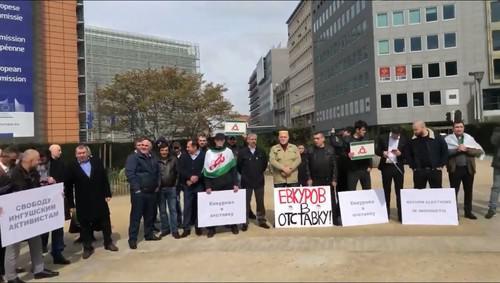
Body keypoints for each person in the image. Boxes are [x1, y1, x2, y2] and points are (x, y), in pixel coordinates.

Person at [5, 149, 59, 282]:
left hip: (30, 215)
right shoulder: (14, 173)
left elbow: (37, 189)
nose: (39, 161)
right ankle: (11, 277)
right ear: (30, 160)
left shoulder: (33, 172)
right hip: (16, 216)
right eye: (37, 159)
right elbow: (19, 193)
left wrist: (48, 184)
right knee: (13, 246)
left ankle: (39, 269)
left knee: (36, 240)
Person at [65, 145, 119, 259]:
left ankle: (108, 242)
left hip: (99, 198)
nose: (81, 155)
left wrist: (107, 193)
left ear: (88, 153)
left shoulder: (97, 162)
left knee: (105, 221)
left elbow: (104, 178)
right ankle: (87, 247)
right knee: (85, 225)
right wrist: (71, 204)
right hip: (82, 200)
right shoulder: (71, 166)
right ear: (76, 155)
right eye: (79, 153)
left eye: (83, 153)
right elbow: (68, 187)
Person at [125, 137, 161, 249]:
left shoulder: (153, 158)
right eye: (143, 145)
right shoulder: (133, 158)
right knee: (136, 217)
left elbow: (158, 173)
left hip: (152, 192)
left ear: (150, 147)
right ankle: (132, 239)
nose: (144, 147)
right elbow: (130, 174)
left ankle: (149, 234)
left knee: (150, 215)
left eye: (147, 145)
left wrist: (157, 185)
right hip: (139, 193)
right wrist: (137, 189)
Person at [445, 121, 484, 220]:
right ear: (453, 129)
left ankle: (468, 212)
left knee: (468, 191)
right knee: (454, 192)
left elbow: (478, 151)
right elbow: (444, 153)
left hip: (468, 169)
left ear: (463, 128)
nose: (459, 129)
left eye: (461, 127)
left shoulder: (469, 138)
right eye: (456, 127)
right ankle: (454, 213)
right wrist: (456, 150)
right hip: (455, 169)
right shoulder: (448, 139)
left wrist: (466, 149)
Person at [38, 144, 70, 265]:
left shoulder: (59, 164)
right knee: (41, 230)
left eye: (43, 158)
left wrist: (55, 182)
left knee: (57, 228)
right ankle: (39, 255)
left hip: (55, 201)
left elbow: (65, 180)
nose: (40, 161)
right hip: (39, 204)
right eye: (39, 159)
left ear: (48, 157)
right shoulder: (32, 168)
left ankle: (57, 253)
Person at [203, 133, 240, 238]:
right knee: (213, 208)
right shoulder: (209, 153)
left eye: (222, 139)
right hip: (214, 184)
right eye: (218, 139)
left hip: (227, 183)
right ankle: (212, 228)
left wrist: (235, 183)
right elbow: (206, 170)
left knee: (230, 207)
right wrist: (208, 186)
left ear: (224, 140)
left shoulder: (228, 152)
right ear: (215, 140)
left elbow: (233, 169)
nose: (220, 141)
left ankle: (233, 225)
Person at [237, 133, 269, 231]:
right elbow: (239, 167)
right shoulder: (242, 152)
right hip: (246, 182)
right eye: (251, 139)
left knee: (260, 202)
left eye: (255, 139)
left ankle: (261, 220)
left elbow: (264, 166)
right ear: (247, 140)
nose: (253, 141)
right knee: (245, 203)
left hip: (259, 181)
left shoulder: (261, 152)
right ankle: (244, 222)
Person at [375, 126, 408, 221]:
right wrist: (382, 153)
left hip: (398, 167)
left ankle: (401, 215)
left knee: (399, 191)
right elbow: (377, 150)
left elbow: (407, 153)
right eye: (395, 135)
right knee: (386, 191)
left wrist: (400, 154)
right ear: (391, 132)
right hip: (386, 167)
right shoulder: (383, 137)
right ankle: (386, 214)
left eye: (398, 135)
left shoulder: (404, 139)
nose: (397, 137)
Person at [405, 121, 448, 189]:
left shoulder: (437, 138)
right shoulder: (412, 140)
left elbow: (445, 151)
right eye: (413, 130)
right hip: (419, 171)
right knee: (418, 194)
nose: (414, 132)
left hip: (435, 170)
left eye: (416, 129)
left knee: (436, 193)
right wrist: (413, 166)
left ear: (423, 127)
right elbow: (407, 154)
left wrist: (441, 165)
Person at [307, 132, 338, 218]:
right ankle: (317, 218)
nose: (315, 140)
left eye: (318, 138)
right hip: (315, 180)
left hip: (328, 179)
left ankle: (334, 218)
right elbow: (307, 165)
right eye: (314, 139)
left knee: (331, 199)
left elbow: (335, 166)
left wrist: (334, 179)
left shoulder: (330, 149)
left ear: (323, 139)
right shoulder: (310, 150)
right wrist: (309, 178)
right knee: (315, 201)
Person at [178, 139, 205, 238]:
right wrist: (189, 177)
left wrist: (197, 177)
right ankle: (186, 228)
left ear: (195, 147)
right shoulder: (184, 156)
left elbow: (205, 168)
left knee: (199, 207)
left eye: (189, 147)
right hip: (188, 185)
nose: (187, 148)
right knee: (187, 207)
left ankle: (198, 226)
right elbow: (180, 169)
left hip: (199, 185)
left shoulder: (203, 155)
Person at [0, 147, 18, 282]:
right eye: (12, 159)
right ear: (4, 156)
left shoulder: (13, 169)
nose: (14, 161)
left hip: (9, 211)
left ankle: (6, 269)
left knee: (5, 243)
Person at [157, 143, 181, 239]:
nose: (164, 152)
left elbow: (178, 173)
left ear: (168, 150)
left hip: (171, 188)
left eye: (166, 150)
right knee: (162, 211)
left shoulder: (174, 160)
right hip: (160, 189)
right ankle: (165, 229)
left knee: (173, 210)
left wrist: (175, 185)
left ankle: (174, 230)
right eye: (162, 150)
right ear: (159, 151)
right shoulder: (156, 161)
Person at [345, 121, 372, 191]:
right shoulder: (348, 140)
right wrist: (347, 155)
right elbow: (342, 154)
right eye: (363, 130)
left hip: (365, 169)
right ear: (357, 130)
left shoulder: (366, 139)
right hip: (353, 170)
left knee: (367, 190)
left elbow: (369, 153)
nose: (365, 132)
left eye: (365, 130)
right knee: (351, 190)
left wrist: (370, 166)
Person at [330, 127, 352, 192]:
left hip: (344, 163)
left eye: (344, 131)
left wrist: (333, 134)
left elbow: (336, 143)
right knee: (342, 183)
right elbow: (335, 143)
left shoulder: (347, 139)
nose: (343, 132)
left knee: (344, 183)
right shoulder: (341, 138)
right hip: (342, 164)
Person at [486, 127, 500, 219]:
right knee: (496, 186)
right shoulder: (497, 130)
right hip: (498, 164)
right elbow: (493, 141)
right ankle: (492, 208)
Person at [172, 141, 183, 229]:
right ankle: (179, 221)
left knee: (186, 203)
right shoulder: (171, 158)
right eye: (174, 148)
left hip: (185, 183)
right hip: (176, 184)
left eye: (177, 147)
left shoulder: (185, 156)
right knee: (177, 203)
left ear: (180, 148)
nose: (176, 149)